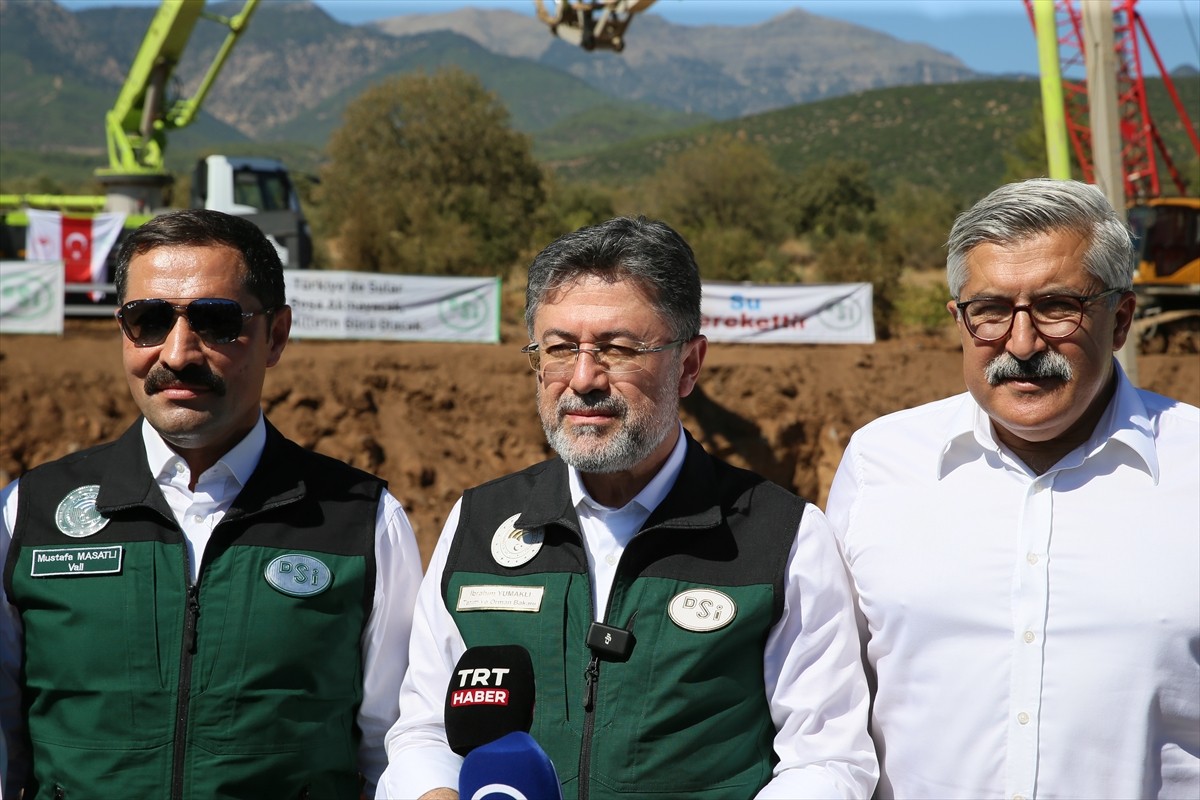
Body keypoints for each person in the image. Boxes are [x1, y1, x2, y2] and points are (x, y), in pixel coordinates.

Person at [376, 216, 878, 800]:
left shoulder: (783, 537)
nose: (583, 379)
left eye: (617, 349)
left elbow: (827, 760)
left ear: (688, 365)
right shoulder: (478, 522)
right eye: (560, 349)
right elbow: (424, 732)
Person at [0, 209, 423, 799]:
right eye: (148, 320)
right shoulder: (27, 513)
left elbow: (398, 746)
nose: (177, 353)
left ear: (276, 335)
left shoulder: (364, 520)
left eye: (216, 321)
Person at [826, 178, 1200, 798]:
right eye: (992, 310)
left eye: (1056, 306)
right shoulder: (879, 462)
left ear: (1120, 320)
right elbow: (828, 711)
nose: (1021, 344)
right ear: (959, 319)